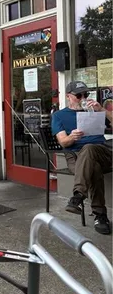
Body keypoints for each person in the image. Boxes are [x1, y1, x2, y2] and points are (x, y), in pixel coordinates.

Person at [51, 81, 112, 235]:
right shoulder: (59, 115)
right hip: (75, 156)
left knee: (90, 148)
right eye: (79, 95)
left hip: (101, 151)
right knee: (94, 168)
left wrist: (102, 110)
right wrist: (72, 137)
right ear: (68, 97)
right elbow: (63, 142)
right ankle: (100, 215)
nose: (83, 98)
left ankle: (78, 196)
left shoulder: (95, 111)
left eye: (86, 94)